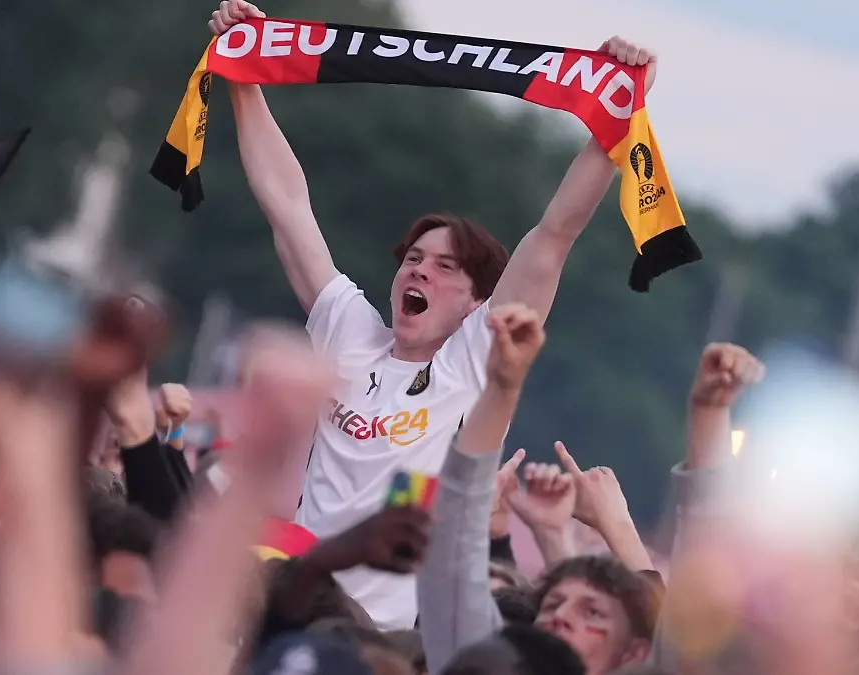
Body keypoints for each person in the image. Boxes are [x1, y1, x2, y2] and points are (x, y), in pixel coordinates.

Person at [207, 0, 661, 628]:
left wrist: (612, 116)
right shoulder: (349, 329)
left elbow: (555, 233)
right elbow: (288, 204)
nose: (419, 270)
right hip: (291, 604)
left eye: (446, 267)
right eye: (414, 258)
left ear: (480, 303)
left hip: (389, 640)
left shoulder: (475, 355)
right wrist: (245, 77)